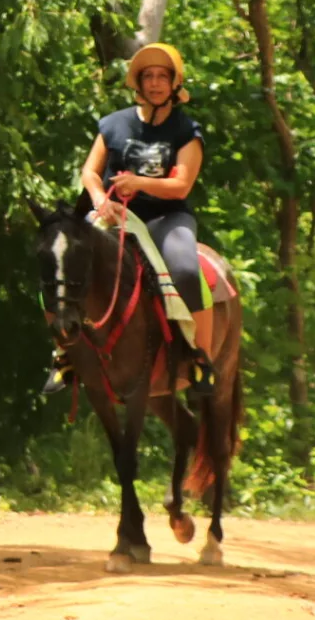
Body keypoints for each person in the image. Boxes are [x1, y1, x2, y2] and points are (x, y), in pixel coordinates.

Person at [46, 42, 214, 399]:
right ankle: (64, 355)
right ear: (138, 83)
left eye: (162, 77)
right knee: (61, 259)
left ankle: (198, 356)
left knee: (184, 267)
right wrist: (97, 199)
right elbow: (90, 172)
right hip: (112, 214)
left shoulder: (187, 131)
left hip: (165, 216)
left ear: (174, 84)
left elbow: (181, 184)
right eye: (148, 76)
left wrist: (139, 182)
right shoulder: (113, 124)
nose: (154, 83)